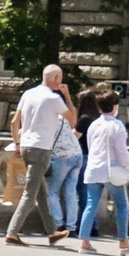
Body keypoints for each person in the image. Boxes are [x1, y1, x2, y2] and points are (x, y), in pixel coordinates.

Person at [5, 62, 70, 246]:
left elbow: (14, 122)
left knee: (41, 191)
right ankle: (12, 232)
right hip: (41, 148)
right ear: (56, 78)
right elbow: (73, 119)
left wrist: (18, 143)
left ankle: (52, 232)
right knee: (30, 194)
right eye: (61, 78)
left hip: (26, 146)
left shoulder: (28, 93)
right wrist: (67, 95)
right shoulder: (53, 98)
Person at [80, 92, 129, 254]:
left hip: (93, 169)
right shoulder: (117, 125)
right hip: (111, 170)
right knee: (122, 205)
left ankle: (84, 242)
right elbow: (121, 151)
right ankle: (123, 241)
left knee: (90, 205)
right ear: (115, 107)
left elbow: (91, 147)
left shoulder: (93, 125)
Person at [46, 84, 84, 239]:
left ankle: (58, 224)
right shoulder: (64, 116)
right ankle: (72, 227)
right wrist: (67, 95)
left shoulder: (48, 120)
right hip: (76, 154)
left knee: (52, 191)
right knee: (70, 192)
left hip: (61, 156)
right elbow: (75, 117)